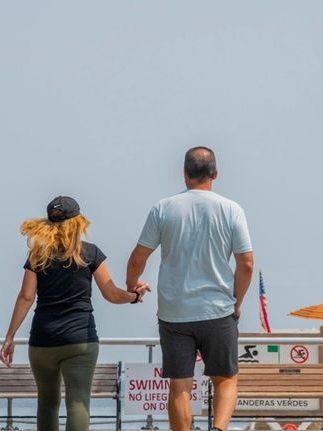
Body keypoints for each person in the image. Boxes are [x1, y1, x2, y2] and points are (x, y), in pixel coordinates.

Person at [126, 147, 254, 431]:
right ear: (216, 174)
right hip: (218, 309)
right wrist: (237, 301)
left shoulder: (163, 208)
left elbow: (138, 258)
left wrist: (132, 286)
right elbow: (245, 264)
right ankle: (218, 429)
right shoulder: (231, 209)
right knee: (225, 379)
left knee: (180, 384)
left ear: (184, 173)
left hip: (174, 312)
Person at [0, 196, 150, 431]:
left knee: (47, 403)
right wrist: (135, 296)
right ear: (78, 222)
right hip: (80, 341)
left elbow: (26, 297)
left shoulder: (38, 256)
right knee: (78, 402)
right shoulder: (90, 253)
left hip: (43, 341)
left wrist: (9, 337)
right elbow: (111, 293)